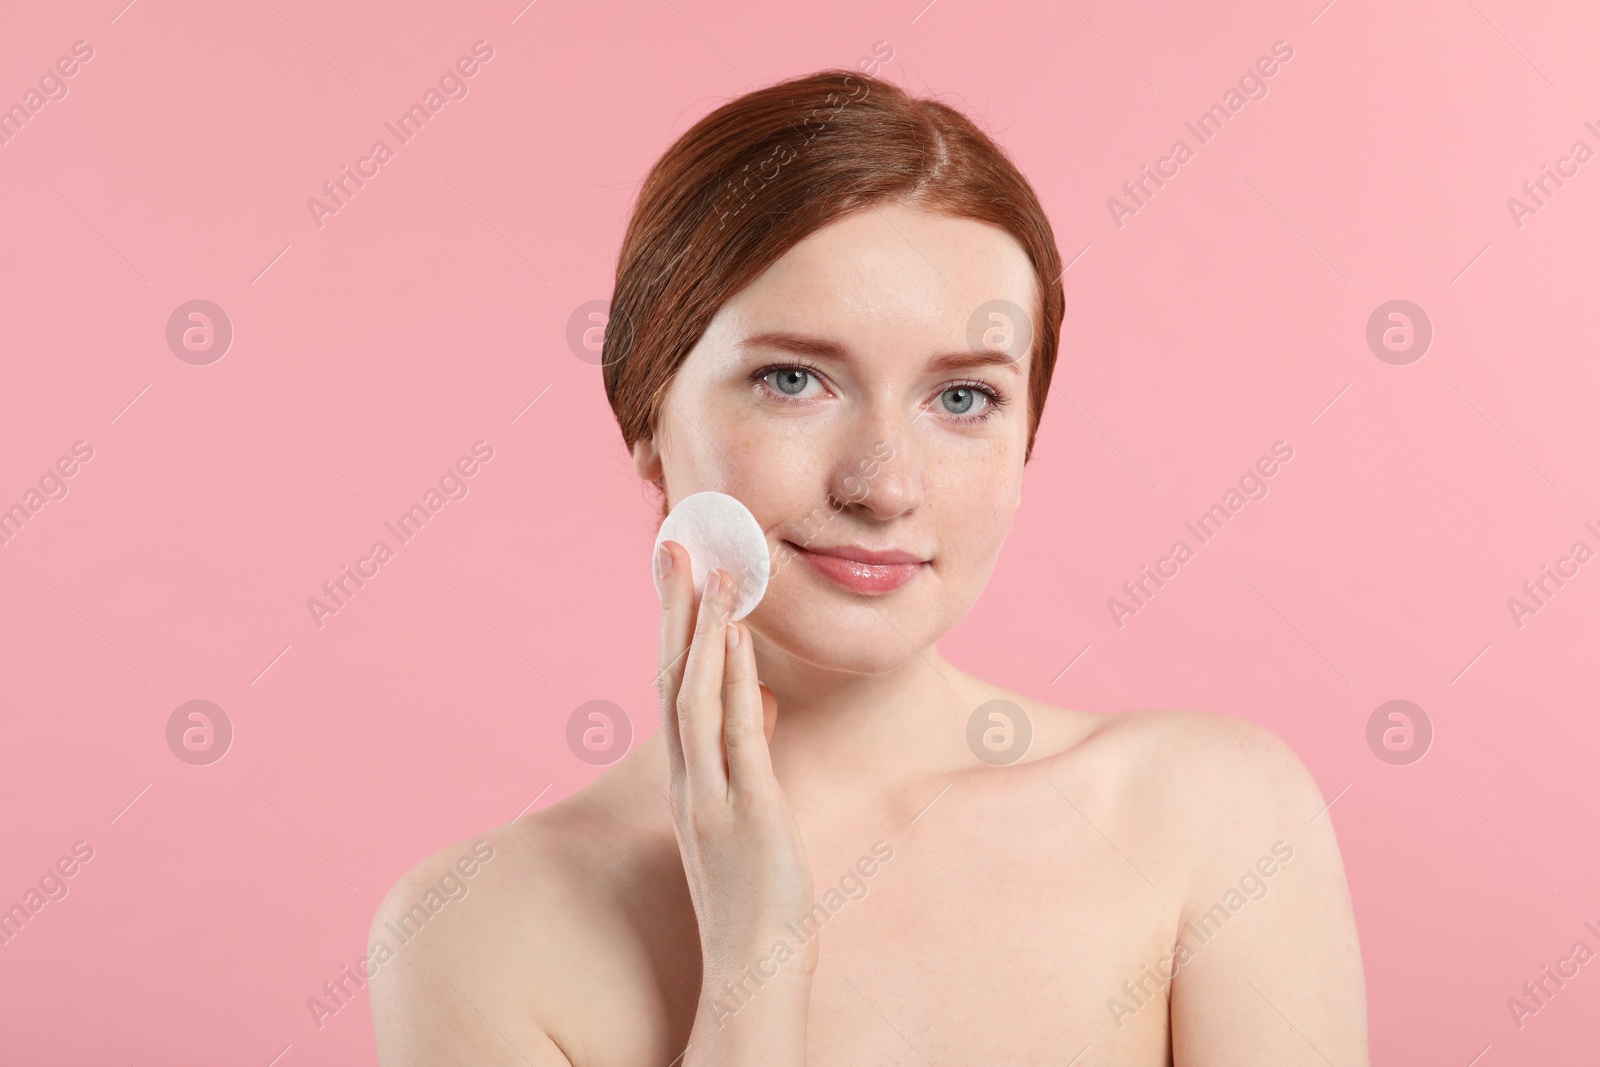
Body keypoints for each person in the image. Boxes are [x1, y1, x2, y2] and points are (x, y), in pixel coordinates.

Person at [370, 68, 1367, 1065]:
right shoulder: (477, 934)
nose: (883, 486)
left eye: (964, 398)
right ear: (645, 414)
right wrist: (754, 964)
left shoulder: (1207, 818)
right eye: (792, 379)